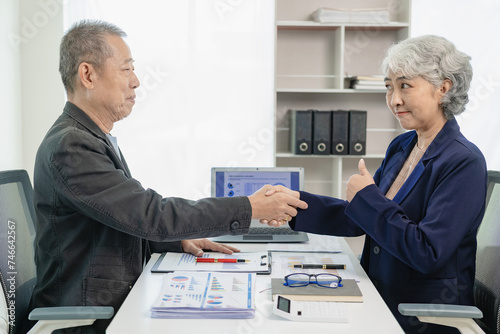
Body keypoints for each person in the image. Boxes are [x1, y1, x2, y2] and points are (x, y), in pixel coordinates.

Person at [26, 20, 307, 334]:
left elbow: (124, 221)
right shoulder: (72, 147)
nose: (136, 82)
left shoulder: (90, 137)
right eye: (126, 69)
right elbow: (149, 214)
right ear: (88, 75)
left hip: (105, 303)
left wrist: (177, 241)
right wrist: (250, 208)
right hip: (85, 320)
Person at [265, 35, 487, 334]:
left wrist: (367, 197)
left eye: (405, 85)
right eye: (389, 87)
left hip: (421, 315)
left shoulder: (464, 161)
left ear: (443, 89)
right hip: (377, 293)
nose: (394, 99)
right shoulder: (402, 146)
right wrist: (294, 204)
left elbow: (428, 253)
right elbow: (363, 219)